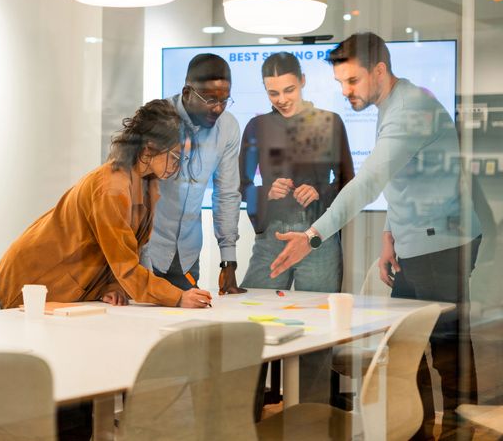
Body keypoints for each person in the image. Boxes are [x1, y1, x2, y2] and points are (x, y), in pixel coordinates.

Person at [270, 32, 481, 439]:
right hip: (418, 239)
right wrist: (390, 237)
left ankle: (460, 432)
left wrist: (312, 236)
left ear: (379, 70)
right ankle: (416, 431)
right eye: (340, 83)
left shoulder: (410, 109)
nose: (346, 91)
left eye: (352, 81)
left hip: (444, 244)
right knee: (406, 353)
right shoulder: (393, 102)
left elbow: (368, 181)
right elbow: (403, 180)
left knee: (447, 352)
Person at [0, 99, 213, 311]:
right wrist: (177, 297)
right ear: (149, 148)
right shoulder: (112, 189)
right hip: (33, 279)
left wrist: (112, 285)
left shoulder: (147, 182)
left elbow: (123, 251)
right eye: (175, 156)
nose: (178, 166)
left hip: (67, 284)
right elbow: (125, 265)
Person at [240, 52, 354, 293]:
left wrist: (319, 191)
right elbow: (241, 185)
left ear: (302, 80)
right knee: (256, 310)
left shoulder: (329, 122)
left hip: (318, 233)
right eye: (273, 93)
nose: (282, 99)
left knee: (319, 316)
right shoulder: (257, 127)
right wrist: (267, 192)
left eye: (289, 90)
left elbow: (348, 181)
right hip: (272, 236)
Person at [143, 53, 244, 295]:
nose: (218, 108)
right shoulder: (155, 119)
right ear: (187, 92)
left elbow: (227, 194)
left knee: (190, 326)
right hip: (147, 251)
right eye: (210, 100)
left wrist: (228, 260)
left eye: (225, 100)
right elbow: (134, 192)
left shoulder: (228, 127)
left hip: (187, 255)